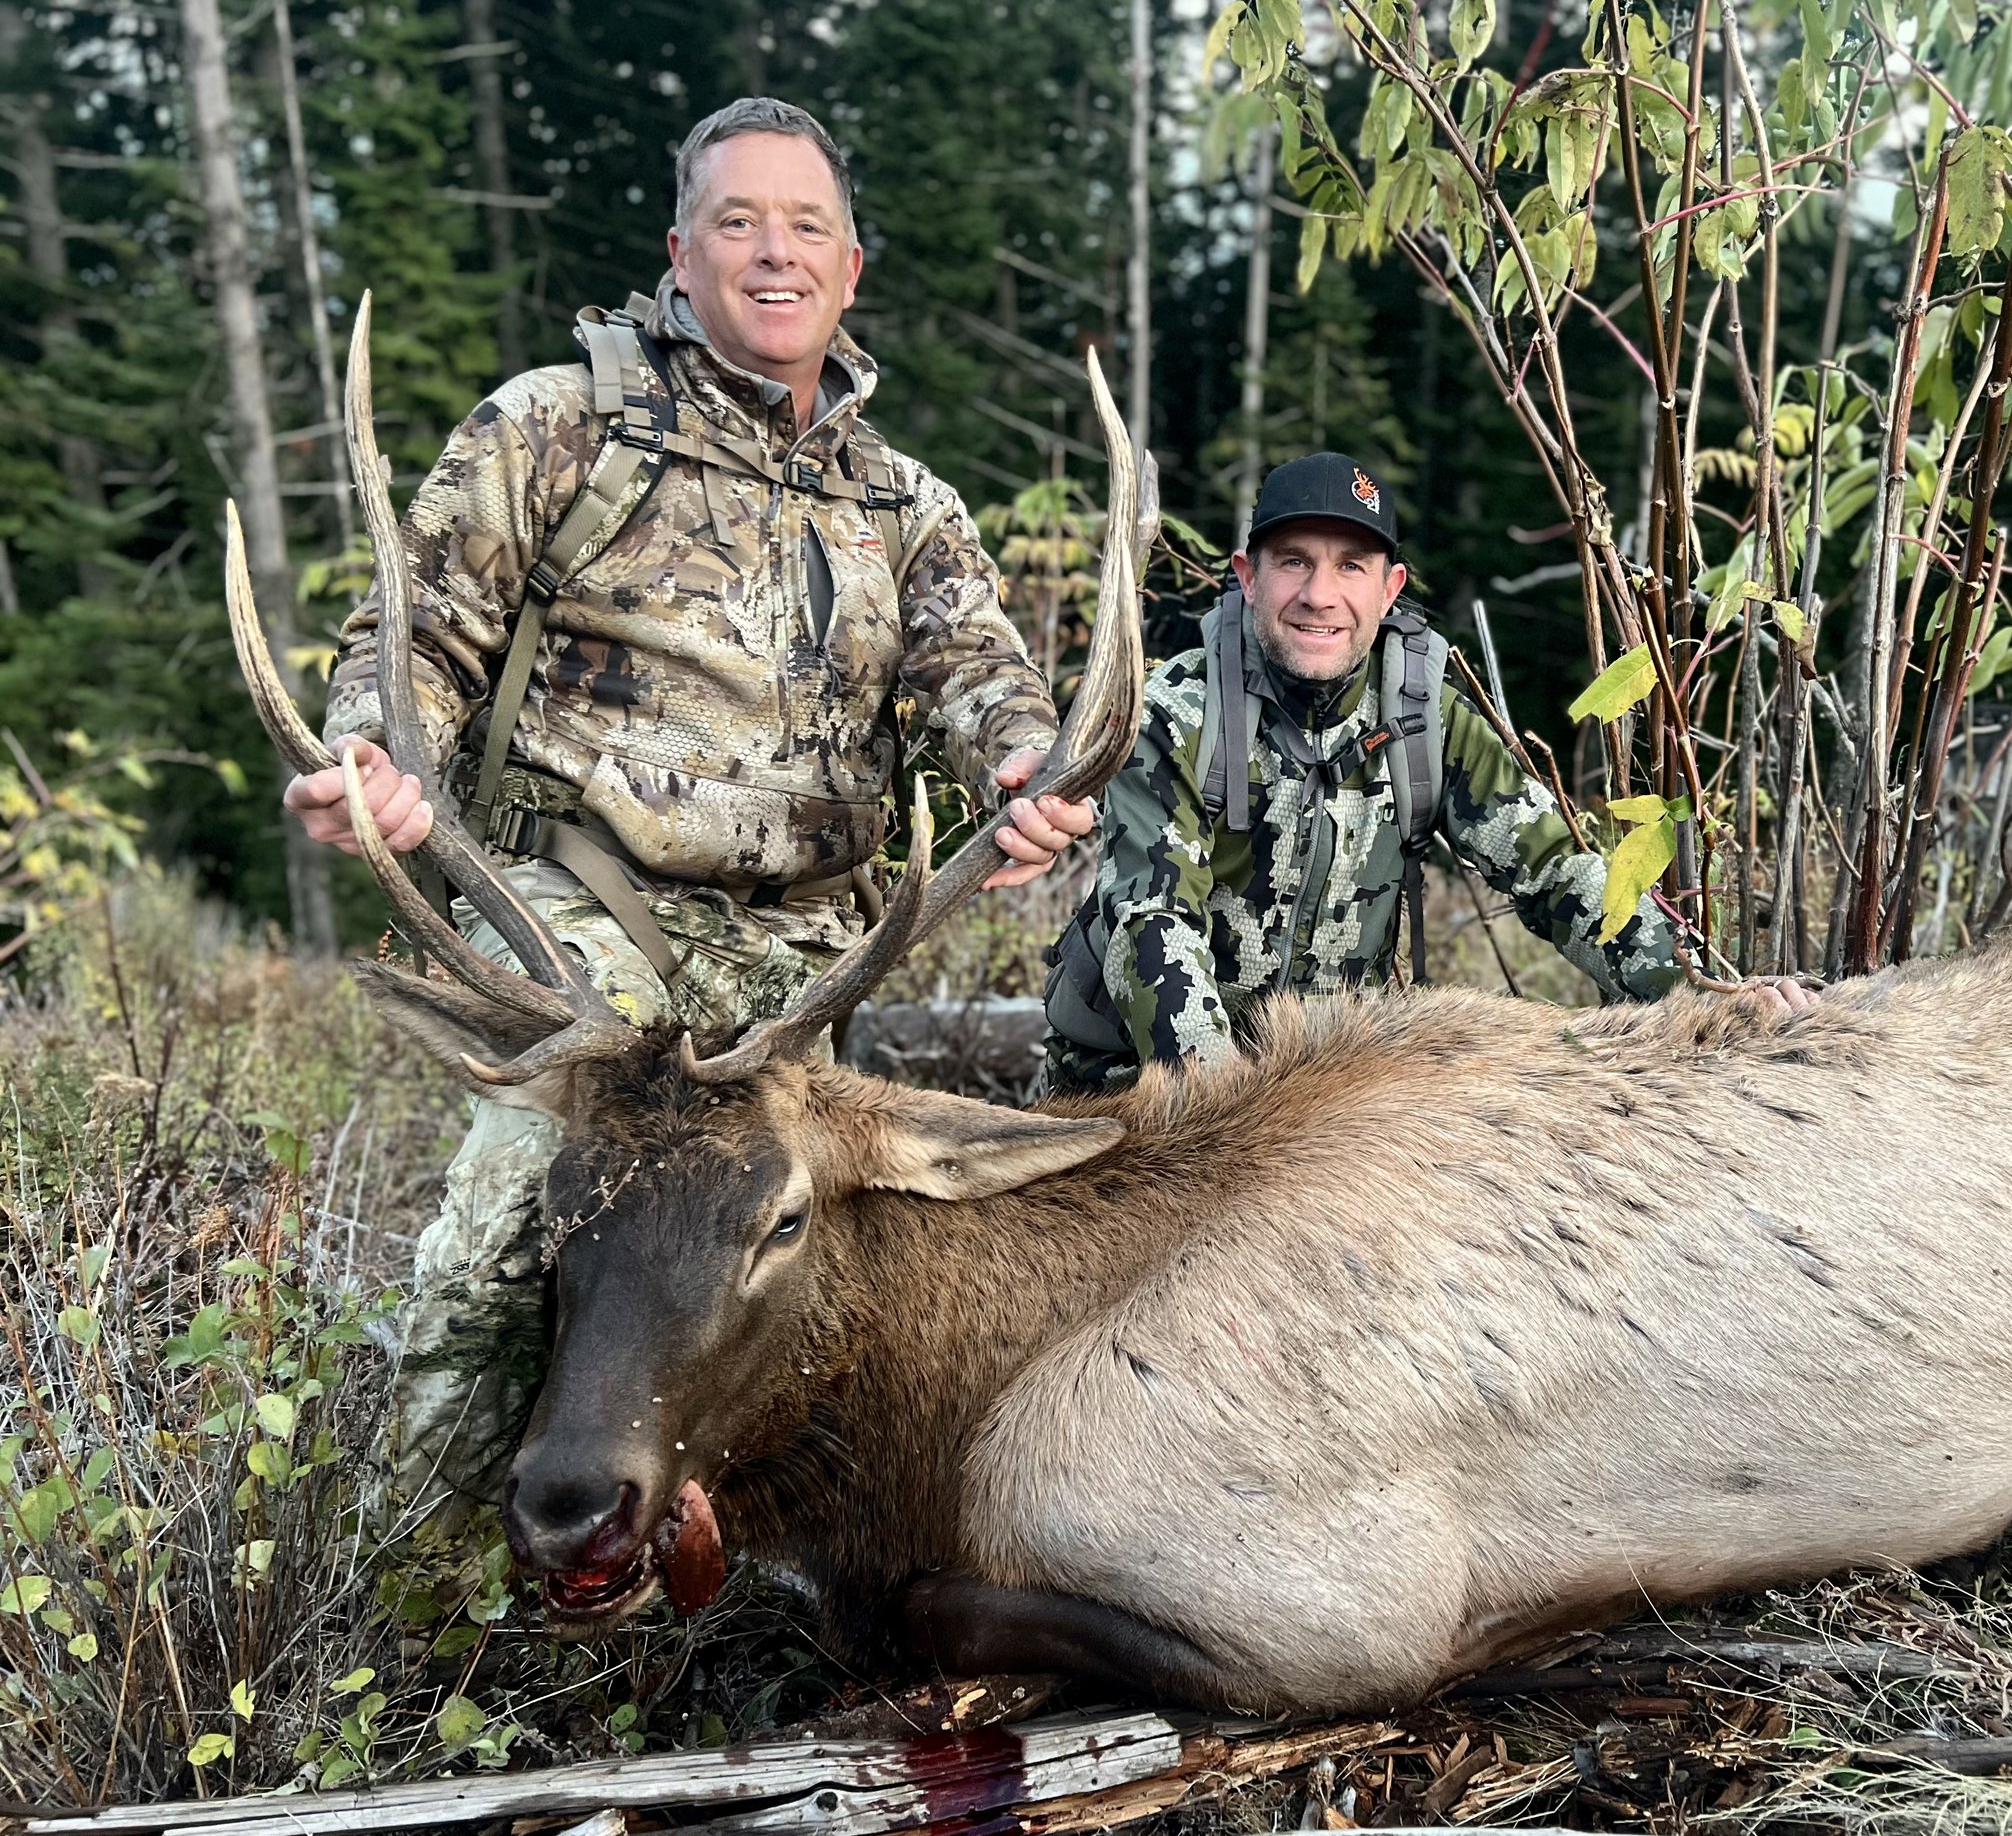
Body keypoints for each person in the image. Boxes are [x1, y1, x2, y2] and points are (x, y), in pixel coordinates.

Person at [283, 97, 1092, 1514]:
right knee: (519, 1225)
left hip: (803, 956)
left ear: (850, 268)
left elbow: (983, 676)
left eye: (807, 226)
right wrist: (371, 754)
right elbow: (416, 637)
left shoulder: (905, 505)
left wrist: (1025, 769)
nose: (776, 252)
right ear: (680, 251)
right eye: (739, 221)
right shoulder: (554, 427)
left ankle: (735, 1576)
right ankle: (418, 1579)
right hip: (589, 915)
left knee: (819, 1289)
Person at [1043, 453, 1809, 1092]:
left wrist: (1698, 993)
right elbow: (1154, 922)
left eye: (1351, 566)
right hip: (1132, 1087)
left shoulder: (1422, 718)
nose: (1319, 595)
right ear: (1248, 575)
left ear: (1390, 589)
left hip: (1323, 1090)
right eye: (1294, 562)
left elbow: (1558, 871)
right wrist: (1225, 1112)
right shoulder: (1172, 714)